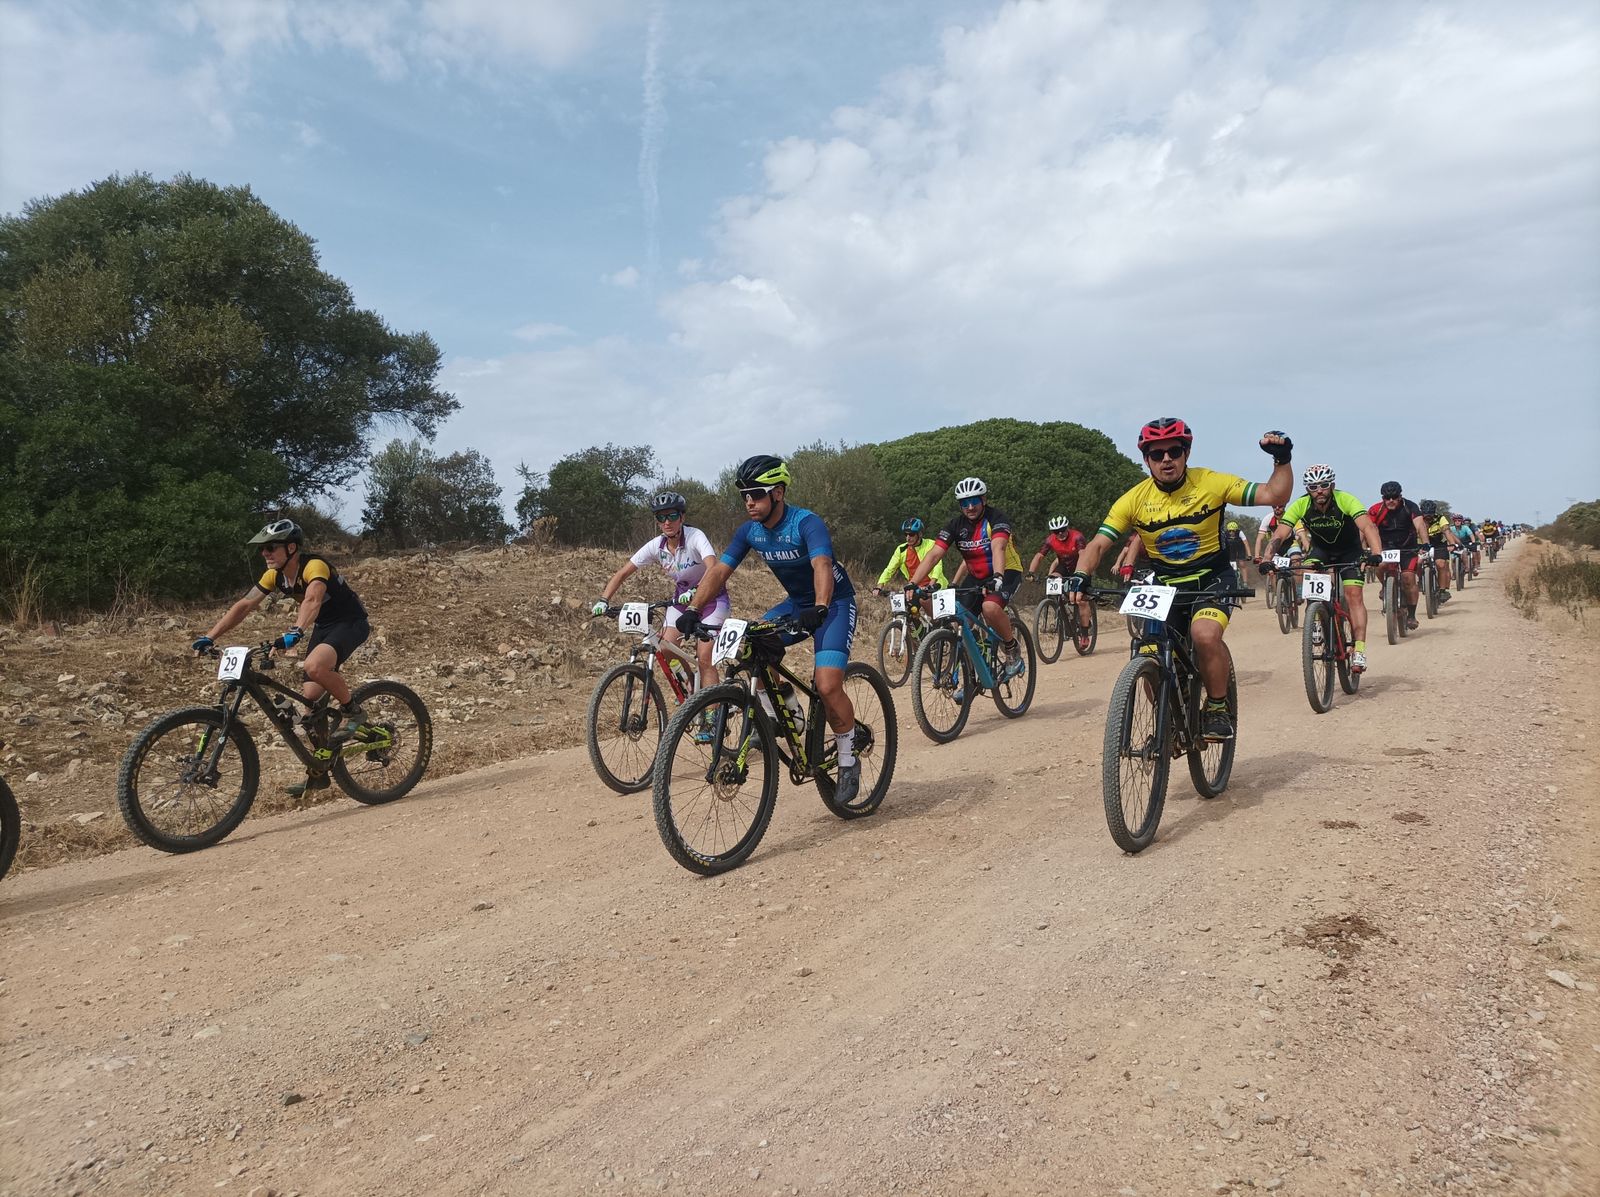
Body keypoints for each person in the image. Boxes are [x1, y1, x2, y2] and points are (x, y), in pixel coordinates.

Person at [1068, 418, 1294, 740]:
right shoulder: (1133, 499)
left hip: (1212, 577)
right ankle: (1172, 715)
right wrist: (1080, 575)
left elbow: (1274, 493)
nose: (1166, 460)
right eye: (1157, 454)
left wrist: (1282, 460)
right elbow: (1098, 544)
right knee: (1148, 651)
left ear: (1186, 453)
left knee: (1203, 635)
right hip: (1166, 584)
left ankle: (1217, 707)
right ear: (1146, 459)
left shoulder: (1211, 483)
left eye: (1174, 451)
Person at [678, 456, 863, 804]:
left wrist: (820, 606)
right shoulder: (750, 531)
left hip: (833, 603)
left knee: (826, 684)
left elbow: (822, 564)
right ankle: (791, 718)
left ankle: (849, 758)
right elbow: (718, 573)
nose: (749, 501)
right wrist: (692, 609)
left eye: (757, 494)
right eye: (744, 495)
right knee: (752, 649)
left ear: (778, 493)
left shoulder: (806, 523)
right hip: (796, 603)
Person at [192, 519, 370, 797]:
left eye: (270, 548)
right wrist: (210, 636)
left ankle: (354, 711)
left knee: (314, 665)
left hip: (350, 622)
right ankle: (319, 772)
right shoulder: (274, 575)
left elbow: (312, 599)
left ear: (291, 547)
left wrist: (296, 631)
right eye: (262, 549)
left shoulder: (314, 566)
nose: (265, 553)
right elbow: (245, 605)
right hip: (323, 627)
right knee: (310, 701)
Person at [593, 491, 727, 692]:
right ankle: (691, 686)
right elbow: (622, 573)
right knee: (665, 648)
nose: (667, 522)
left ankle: (713, 716)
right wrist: (604, 599)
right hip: (681, 601)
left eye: (672, 516)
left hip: (711, 599)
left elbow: (713, 566)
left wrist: (697, 589)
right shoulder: (657, 545)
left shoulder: (695, 537)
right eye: (661, 518)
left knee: (705, 657)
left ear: (682, 517)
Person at [1261, 465, 1385, 672]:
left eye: (1324, 485)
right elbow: (1280, 534)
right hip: (1322, 551)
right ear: (1308, 489)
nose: (1319, 490)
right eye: (1313, 486)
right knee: (1308, 570)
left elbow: (1368, 526)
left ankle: (1360, 650)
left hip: (1349, 552)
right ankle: (1316, 617)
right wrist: (1267, 558)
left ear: (1332, 485)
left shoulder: (1345, 499)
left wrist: (1376, 553)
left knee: (1353, 596)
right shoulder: (1301, 504)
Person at [906, 477, 1026, 681]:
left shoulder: (997, 518)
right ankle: (970, 678)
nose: (970, 507)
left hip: (1006, 571)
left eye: (974, 501)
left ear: (984, 499)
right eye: (964, 503)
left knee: (989, 608)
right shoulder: (955, 525)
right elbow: (934, 554)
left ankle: (1011, 647)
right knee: (958, 623)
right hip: (976, 576)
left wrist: (997, 577)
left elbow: (999, 547)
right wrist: (913, 583)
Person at [1366, 481, 1431, 631]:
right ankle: (1385, 587)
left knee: (1408, 579)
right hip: (1386, 547)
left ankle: (1412, 615)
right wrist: (1363, 547)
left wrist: (1425, 543)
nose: (1390, 501)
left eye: (1394, 497)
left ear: (1400, 496)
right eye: (1387, 498)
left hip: (1408, 548)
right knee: (1380, 565)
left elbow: (1420, 525)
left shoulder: (1410, 507)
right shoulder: (1376, 509)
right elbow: (1367, 528)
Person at [874, 518, 950, 625]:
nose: (908, 537)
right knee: (909, 611)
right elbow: (889, 569)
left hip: (935, 586)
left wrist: (930, 585)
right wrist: (879, 586)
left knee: (928, 605)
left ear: (919, 534)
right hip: (915, 588)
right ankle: (919, 637)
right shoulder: (901, 550)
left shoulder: (931, 544)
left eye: (911, 534)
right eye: (906, 534)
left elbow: (937, 566)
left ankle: (937, 626)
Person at [1026, 516, 1092, 630]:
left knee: (1081, 600)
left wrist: (1079, 574)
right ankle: (1062, 610)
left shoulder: (1077, 537)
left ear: (1067, 528)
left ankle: (1085, 631)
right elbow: (1039, 556)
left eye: (1063, 529)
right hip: (1063, 566)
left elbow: (1083, 555)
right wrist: (1031, 572)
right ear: (1053, 532)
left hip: (1080, 566)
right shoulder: (1050, 540)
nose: (1060, 533)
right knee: (1053, 578)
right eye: (1056, 531)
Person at [1419, 501, 1458, 605]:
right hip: (1422, 544)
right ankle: (1419, 582)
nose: (1428, 517)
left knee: (1441, 564)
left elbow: (1447, 532)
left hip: (1439, 545)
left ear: (1434, 512)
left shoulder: (1441, 518)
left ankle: (1442, 590)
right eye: (1425, 514)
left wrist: (1452, 544)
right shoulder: (1418, 520)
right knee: (1417, 563)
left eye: (1430, 514)